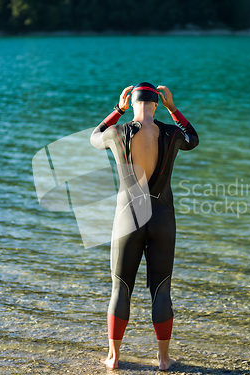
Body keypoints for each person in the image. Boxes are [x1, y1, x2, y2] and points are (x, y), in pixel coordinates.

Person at [90, 82, 199, 370]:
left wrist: (117, 110)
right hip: (162, 217)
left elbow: (93, 136)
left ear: (133, 102)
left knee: (120, 289)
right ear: (155, 104)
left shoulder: (117, 132)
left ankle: (113, 358)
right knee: (162, 290)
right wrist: (173, 108)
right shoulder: (172, 132)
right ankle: (163, 360)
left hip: (128, 218)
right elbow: (194, 138)